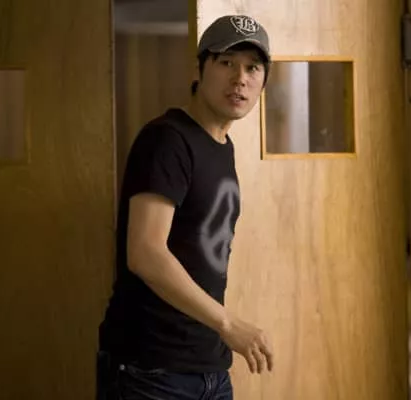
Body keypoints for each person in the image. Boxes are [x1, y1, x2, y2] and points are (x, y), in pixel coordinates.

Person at [97, 14, 274, 400]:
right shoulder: (167, 140)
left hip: (207, 365)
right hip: (152, 368)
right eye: (226, 62)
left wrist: (219, 333)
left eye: (252, 68)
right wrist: (228, 325)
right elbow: (145, 252)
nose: (240, 78)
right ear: (199, 69)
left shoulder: (221, 147)